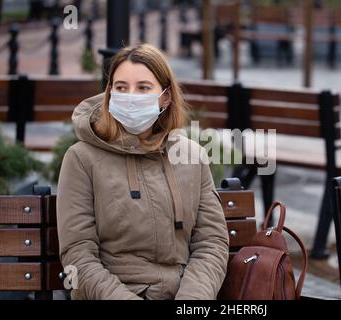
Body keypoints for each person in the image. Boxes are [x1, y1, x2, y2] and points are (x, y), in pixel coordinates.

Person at [56, 44, 229, 300]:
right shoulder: (82, 158)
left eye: (144, 88)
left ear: (166, 97)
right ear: (110, 93)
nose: (131, 96)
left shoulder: (192, 157)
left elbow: (211, 243)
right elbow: (78, 254)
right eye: (121, 87)